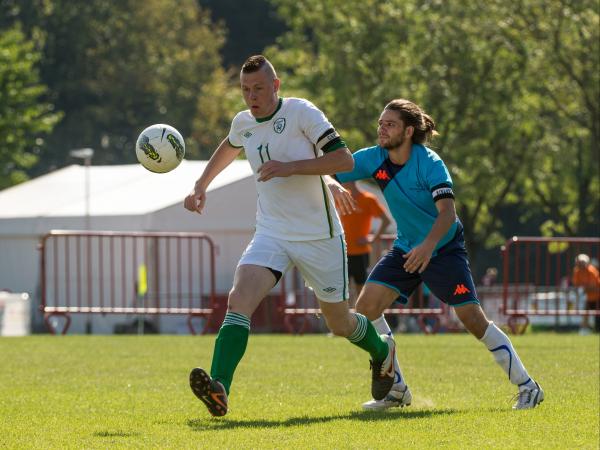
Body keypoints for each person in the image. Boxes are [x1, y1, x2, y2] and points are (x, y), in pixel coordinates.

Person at [183, 55, 395, 417]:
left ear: (276, 86)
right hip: (271, 232)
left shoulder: (302, 113)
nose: (252, 96)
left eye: (260, 88)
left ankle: (381, 352)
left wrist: (290, 168)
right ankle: (220, 388)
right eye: (246, 89)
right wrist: (201, 184)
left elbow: (343, 160)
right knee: (239, 300)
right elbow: (231, 144)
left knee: (340, 322)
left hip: (319, 236)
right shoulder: (243, 122)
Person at [333, 98, 543, 411]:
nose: (381, 129)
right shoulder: (372, 159)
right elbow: (333, 168)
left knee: (472, 319)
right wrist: (329, 182)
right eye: (380, 123)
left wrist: (428, 246)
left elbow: (447, 213)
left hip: (443, 249)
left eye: (389, 124)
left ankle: (528, 387)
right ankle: (397, 389)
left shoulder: (430, 163)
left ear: (407, 132)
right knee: (365, 310)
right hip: (407, 247)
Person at [339, 181, 391, 302]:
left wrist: (372, 238)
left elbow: (386, 221)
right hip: (342, 252)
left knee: (360, 289)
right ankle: (345, 319)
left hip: (360, 253)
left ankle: (361, 318)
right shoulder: (341, 198)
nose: (340, 181)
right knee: (341, 290)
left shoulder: (368, 199)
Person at [571, 254, 600, 333]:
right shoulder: (577, 271)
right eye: (579, 262)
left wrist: (583, 289)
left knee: (597, 315)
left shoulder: (592, 271)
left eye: (582, 262)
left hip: (598, 297)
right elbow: (576, 285)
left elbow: (593, 286)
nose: (580, 264)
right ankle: (584, 329)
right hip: (590, 297)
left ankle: (594, 329)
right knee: (585, 313)